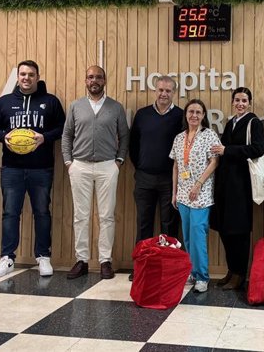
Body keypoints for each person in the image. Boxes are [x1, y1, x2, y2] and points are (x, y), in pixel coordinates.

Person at [0, 60, 65, 278]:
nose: (26, 78)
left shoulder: (50, 102)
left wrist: (44, 138)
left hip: (41, 168)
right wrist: (4, 136)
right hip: (12, 168)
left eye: (31, 74)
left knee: (42, 212)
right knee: (10, 213)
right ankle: (7, 257)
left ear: (37, 77)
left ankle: (43, 257)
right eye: (22, 74)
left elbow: (62, 128)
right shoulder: (4, 102)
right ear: (18, 76)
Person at [62, 65, 129, 280]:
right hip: (79, 166)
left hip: (107, 166)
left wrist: (119, 160)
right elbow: (66, 135)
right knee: (81, 215)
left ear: (105, 80)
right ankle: (81, 260)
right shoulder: (75, 106)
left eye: (98, 77)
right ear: (85, 80)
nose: (94, 80)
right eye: (90, 77)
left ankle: (105, 261)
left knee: (107, 215)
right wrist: (68, 162)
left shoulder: (116, 107)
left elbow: (124, 136)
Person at [129, 76, 183, 280]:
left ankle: (168, 268)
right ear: (155, 90)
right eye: (161, 90)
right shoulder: (143, 115)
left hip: (170, 180)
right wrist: (141, 165)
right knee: (144, 224)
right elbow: (133, 145)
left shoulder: (180, 116)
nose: (164, 94)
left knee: (169, 225)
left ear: (174, 93)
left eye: (168, 91)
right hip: (144, 178)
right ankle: (141, 268)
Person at [210, 87, 264, 290]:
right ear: (232, 102)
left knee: (239, 230)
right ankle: (231, 270)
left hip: (241, 185)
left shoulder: (254, 122)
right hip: (225, 184)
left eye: (244, 100)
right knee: (225, 228)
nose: (240, 104)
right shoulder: (231, 122)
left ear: (249, 103)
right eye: (237, 100)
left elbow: (258, 149)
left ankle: (241, 273)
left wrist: (227, 150)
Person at [170, 99, 220, 293]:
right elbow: (175, 165)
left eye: (198, 112)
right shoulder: (179, 138)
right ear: (186, 114)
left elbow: (214, 163)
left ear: (204, 116)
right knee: (188, 237)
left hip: (201, 194)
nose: (194, 115)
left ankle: (202, 276)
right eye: (191, 111)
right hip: (182, 194)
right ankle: (192, 271)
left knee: (198, 235)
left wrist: (198, 185)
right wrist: (174, 192)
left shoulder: (210, 135)